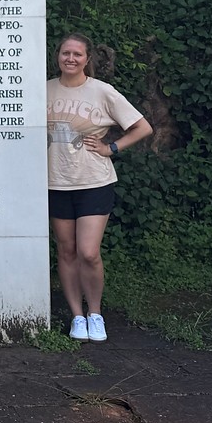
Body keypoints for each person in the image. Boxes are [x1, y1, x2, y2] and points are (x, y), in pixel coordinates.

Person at [47, 33, 152, 342]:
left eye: (77, 54)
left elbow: (143, 127)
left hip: (94, 182)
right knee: (66, 251)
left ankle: (95, 313)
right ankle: (77, 317)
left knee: (89, 252)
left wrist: (112, 148)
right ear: (58, 56)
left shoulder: (102, 92)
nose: (71, 58)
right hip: (55, 181)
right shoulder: (43, 90)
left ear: (87, 59)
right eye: (66, 53)